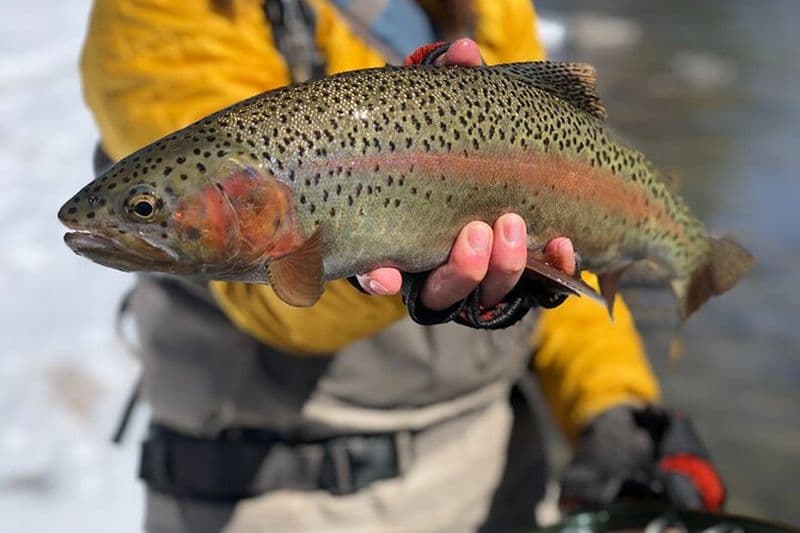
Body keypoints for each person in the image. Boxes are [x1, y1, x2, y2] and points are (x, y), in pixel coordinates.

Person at [80, 1, 725, 531]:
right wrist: (403, 265)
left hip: (497, 468)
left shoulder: (490, 7)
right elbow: (285, 313)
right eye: (145, 207)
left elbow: (549, 242)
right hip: (283, 498)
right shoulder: (160, 12)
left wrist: (613, 405)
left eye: (142, 208)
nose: (139, 218)